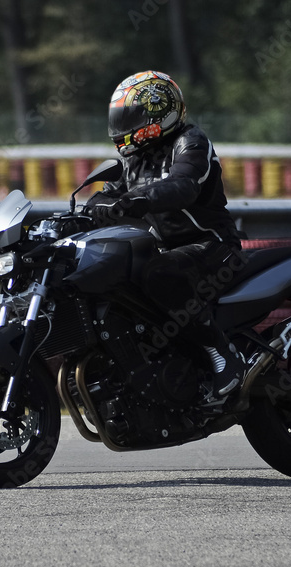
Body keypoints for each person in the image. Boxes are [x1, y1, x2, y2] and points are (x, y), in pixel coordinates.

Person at [85, 70, 246, 400]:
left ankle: (224, 355)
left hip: (212, 246)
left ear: (159, 113)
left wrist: (135, 200)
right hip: (168, 249)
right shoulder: (134, 159)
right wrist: (89, 208)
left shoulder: (191, 142)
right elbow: (106, 193)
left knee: (159, 274)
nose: (121, 126)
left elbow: (183, 184)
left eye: (129, 117)